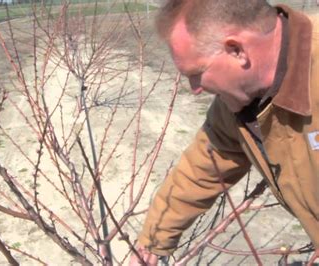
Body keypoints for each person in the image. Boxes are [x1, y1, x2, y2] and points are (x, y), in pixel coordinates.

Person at [130, 0, 319, 264]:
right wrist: (151, 243)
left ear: (236, 49)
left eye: (196, 73)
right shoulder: (235, 106)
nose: (194, 88)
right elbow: (200, 170)